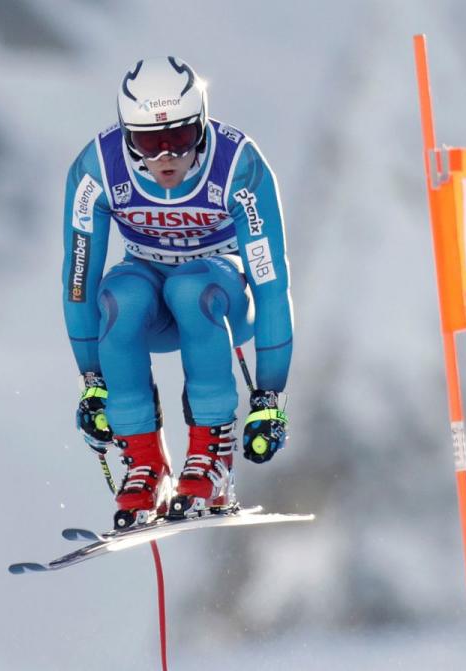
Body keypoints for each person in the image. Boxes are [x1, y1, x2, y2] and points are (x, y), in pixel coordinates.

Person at [61, 56, 293, 529]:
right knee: (118, 298)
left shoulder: (238, 166)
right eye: (148, 141)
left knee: (191, 288)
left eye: (180, 139)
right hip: (151, 299)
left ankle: (213, 459)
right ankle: (147, 464)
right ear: (128, 135)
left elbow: (271, 283)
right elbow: (79, 280)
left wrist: (269, 396)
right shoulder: (97, 169)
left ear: (202, 128)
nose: (166, 156)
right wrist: (93, 382)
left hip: (223, 297)